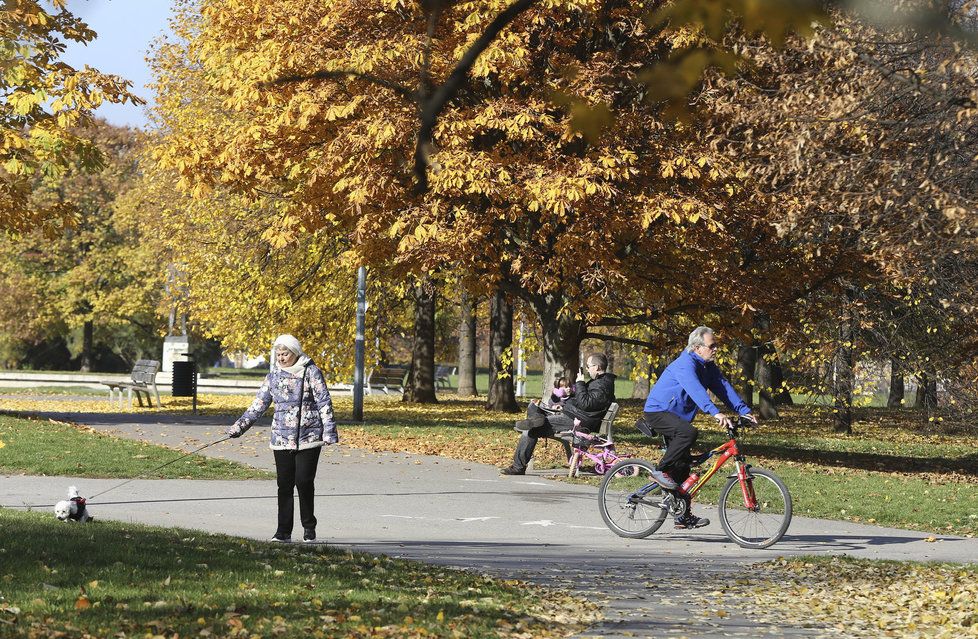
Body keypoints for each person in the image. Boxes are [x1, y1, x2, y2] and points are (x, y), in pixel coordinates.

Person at [225, 334, 338, 542]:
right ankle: (283, 532)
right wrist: (239, 427)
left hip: (309, 436)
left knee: (304, 482)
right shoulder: (273, 376)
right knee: (284, 484)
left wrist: (329, 431)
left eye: (284, 354)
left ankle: (309, 529)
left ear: (295, 353)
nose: (281, 358)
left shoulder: (311, 372)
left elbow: (324, 402)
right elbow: (258, 405)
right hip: (281, 439)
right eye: (278, 354)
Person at [642, 326, 756, 529]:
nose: (716, 349)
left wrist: (743, 410)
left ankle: (681, 516)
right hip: (658, 411)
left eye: (716, 345)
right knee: (688, 433)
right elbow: (695, 390)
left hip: (677, 417)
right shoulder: (685, 364)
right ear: (697, 347)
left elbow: (723, 387)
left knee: (684, 465)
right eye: (712, 346)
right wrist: (715, 412)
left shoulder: (708, 367)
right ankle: (659, 471)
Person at [500, 352, 616, 476]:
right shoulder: (599, 383)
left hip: (577, 420)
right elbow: (585, 401)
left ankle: (518, 467)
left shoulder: (602, 385)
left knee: (530, 429)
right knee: (533, 405)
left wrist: (580, 383)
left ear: (597, 367)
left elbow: (586, 403)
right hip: (572, 414)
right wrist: (568, 395)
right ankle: (536, 418)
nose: (586, 369)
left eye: (588, 366)